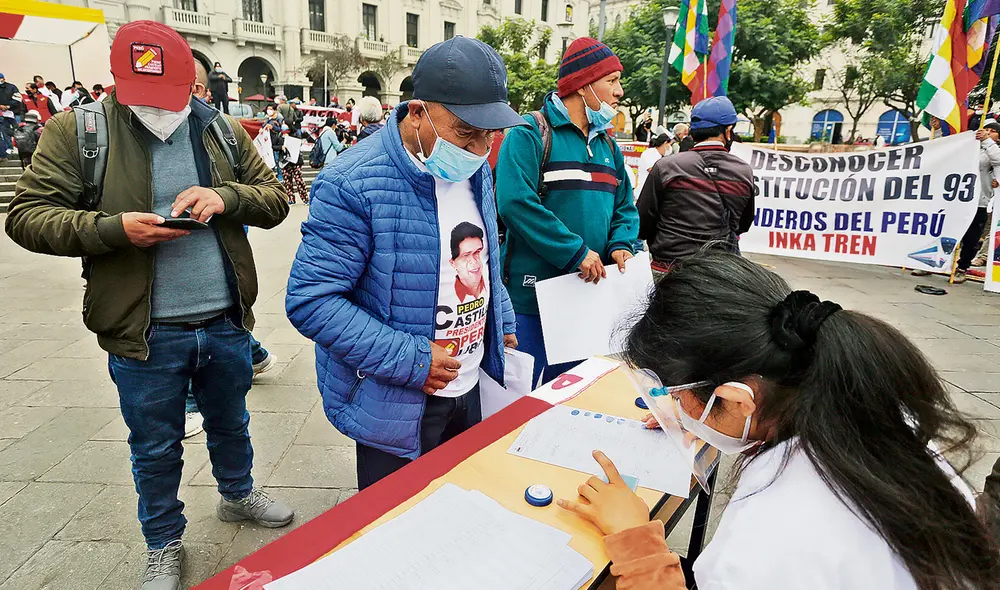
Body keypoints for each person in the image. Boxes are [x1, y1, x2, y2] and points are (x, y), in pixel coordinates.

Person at [4, 21, 293, 590]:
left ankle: (237, 494)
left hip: (225, 320)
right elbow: (27, 216)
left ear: (196, 82)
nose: (159, 108)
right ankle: (163, 542)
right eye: (144, 95)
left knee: (231, 422)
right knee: (155, 446)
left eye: (172, 94)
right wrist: (113, 230)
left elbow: (274, 198)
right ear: (117, 80)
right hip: (144, 331)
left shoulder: (219, 129)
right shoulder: (77, 132)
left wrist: (225, 197)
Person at [555, 252, 1000, 590]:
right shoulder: (868, 407)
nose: (671, 407)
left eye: (673, 395)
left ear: (737, 399)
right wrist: (694, 416)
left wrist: (637, 540)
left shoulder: (769, 545)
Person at [286, 36, 524, 490]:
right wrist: (412, 360)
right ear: (417, 112)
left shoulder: (476, 171)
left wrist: (502, 317)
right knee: (396, 517)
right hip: (398, 398)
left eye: (490, 135)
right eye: (465, 133)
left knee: (461, 503)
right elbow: (311, 301)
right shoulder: (352, 182)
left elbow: (485, 255)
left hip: (470, 382)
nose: (480, 149)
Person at [495, 37, 639, 386]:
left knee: (571, 395)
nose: (619, 91)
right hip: (530, 302)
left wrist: (621, 244)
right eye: (612, 80)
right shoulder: (530, 133)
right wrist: (574, 252)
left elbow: (624, 205)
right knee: (521, 399)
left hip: (586, 301)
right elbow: (515, 202)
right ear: (584, 84)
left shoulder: (608, 146)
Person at [637, 96, 755, 275]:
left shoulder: (666, 167)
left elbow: (643, 220)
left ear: (692, 133)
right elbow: (742, 225)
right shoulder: (743, 171)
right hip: (718, 273)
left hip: (667, 270)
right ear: (728, 131)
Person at [634, 132, 670, 200]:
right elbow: (652, 169)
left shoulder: (659, 155)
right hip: (645, 191)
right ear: (665, 143)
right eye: (669, 145)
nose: (669, 148)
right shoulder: (651, 153)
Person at [281, 122, 309, 205]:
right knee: (287, 181)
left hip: (296, 161)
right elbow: (274, 145)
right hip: (285, 161)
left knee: (298, 179)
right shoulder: (279, 136)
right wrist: (281, 147)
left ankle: (305, 198)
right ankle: (291, 198)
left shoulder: (295, 136)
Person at [0, 72, 22, 159]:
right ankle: (7, 149)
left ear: (3, 79)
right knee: (3, 132)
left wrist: (8, 106)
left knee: (15, 131)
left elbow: (18, 98)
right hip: (1, 114)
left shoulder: (11, 87)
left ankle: (15, 148)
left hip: (12, 113)